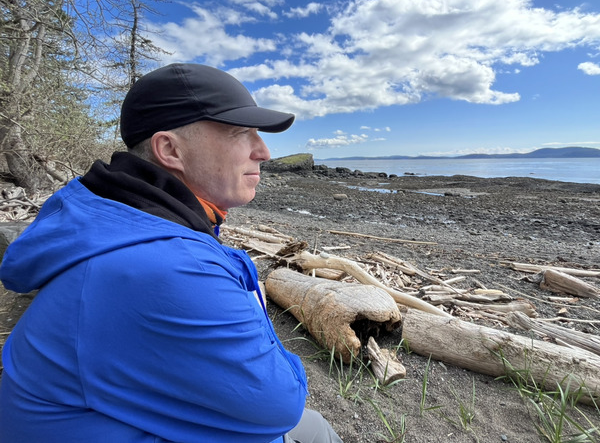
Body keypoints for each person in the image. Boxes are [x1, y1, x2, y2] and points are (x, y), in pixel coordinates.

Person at [0, 63, 343, 443]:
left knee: (314, 426)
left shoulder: (116, 224)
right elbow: (280, 403)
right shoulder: (169, 265)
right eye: (241, 133)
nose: (263, 151)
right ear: (169, 149)